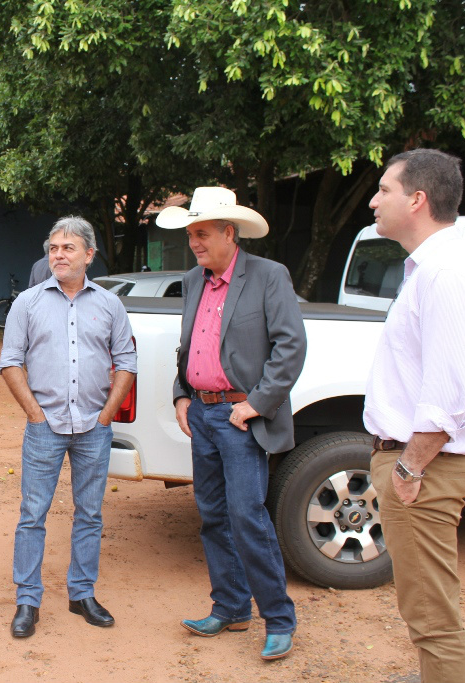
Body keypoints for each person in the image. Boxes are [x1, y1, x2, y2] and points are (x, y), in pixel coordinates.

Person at [364, 148, 465, 683]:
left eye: (383, 189)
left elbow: (449, 388)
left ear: (417, 199)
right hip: (419, 464)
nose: (373, 200)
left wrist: (410, 468)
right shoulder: (433, 267)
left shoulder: (447, 272)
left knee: (431, 614)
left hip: (425, 467)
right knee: (424, 604)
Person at [157, 187, 305, 661]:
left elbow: (290, 347)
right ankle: (231, 607)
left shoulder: (268, 275)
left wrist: (257, 403)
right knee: (214, 515)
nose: (194, 242)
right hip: (202, 414)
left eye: (201, 234)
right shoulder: (195, 280)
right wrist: (182, 395)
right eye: (191, 235)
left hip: (240, 418)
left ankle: (279, 619)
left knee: (247, 517)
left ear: (228, 232)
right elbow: (189, 347)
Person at [0, 216, 136, 638]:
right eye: (54, 248)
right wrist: (35, 413)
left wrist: (107, 415)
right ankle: (27, 601)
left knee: (90, 514)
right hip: (45, 426)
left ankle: (81, 594)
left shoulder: (110, 305)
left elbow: (127, 362)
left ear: (89, 255)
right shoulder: (29, 302)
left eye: (68, 248)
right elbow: (10, 361)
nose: (58, 254)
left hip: (94, 428)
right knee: (32, 514)